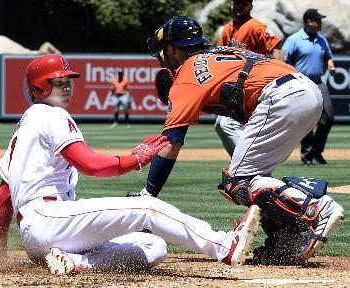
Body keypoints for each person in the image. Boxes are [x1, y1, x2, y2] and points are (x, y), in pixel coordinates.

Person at [0, 54, 261, 274]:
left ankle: (75, 263)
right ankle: (225, 246)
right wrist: (136, 160)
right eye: (59, 82)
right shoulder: (51, 115)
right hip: (47, 219)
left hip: (44, 236)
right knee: (147, 207)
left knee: (152, 245)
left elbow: (4, 195)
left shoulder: (26, 123)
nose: (68, 86)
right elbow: (91, 164)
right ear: (39, 87)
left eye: (69, 81)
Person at [140, 16, 344, 264]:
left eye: (162, 51)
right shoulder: (222, 51)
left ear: (172, 49)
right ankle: (286, 239)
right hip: (304, 90)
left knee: (238, 181)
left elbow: (172, 143)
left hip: (282, 96)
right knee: (258, 179)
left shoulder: (187, 74)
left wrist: (148, 194)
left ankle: (315, 208)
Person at [215, 0, 283, 157]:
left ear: (251, 6)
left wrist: (279, 72)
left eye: (244, 3)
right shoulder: (228, 29)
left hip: (252, 84)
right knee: (229, 126)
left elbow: (276, 47)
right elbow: (220, 55)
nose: (240, 6)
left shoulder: (256, 26)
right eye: (237, 3)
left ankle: (247, 167)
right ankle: (245, 170)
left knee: (225, 124)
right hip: (233, 85)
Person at [282, 8, 336, 165]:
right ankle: (307, 154)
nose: (320, 23)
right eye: (317, 20)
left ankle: (315, 151)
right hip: (301, 82)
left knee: (329, 117)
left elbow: (328, 57)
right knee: (305, 119)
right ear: (308, 22)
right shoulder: (294, 39)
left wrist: (330, 65)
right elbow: (283, 59)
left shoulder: (322, 39)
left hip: (318, 81)